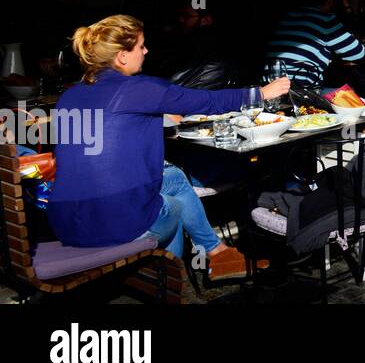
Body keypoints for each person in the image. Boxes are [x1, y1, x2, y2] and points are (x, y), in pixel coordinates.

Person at [48, 15, 290, 280]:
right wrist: (261, 93)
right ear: (122, 57)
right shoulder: (140, 88)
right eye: (141, 46)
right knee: (173, 208)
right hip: (114, 224)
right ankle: (170, 285)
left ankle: (217, 255)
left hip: (67, 223)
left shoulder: (69, 95)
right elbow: (205, 101)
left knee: (173, 177)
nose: (146, 51)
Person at [264, 0, 365, 90]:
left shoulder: (286, 17)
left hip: (269, 87)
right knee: (350, 94)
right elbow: (358, 53)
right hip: (299, 88)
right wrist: (346, 5)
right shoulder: (325, 20)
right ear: (330, 0)